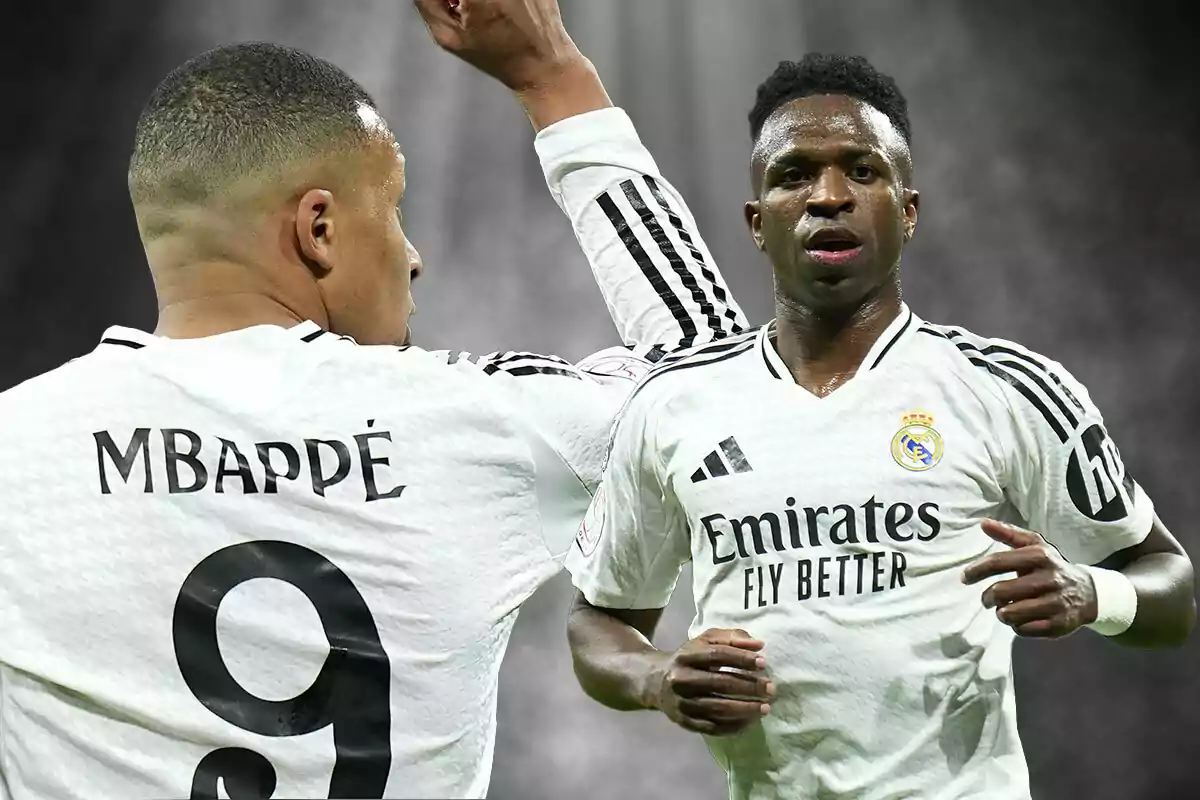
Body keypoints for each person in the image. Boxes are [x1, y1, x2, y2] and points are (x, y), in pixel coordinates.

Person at [0, 3, 745, 798]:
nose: (414, 257)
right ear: (318, 227)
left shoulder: (18, 448)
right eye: (393, 213)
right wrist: (554, 78)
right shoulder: (471, 425)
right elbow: (720, 393)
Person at [564, 53, 1195, 800]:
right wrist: (655, 675)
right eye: (795, 174)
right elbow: (599, 622)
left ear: (910, 209)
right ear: (757, 222)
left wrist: (1091, 593)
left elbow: (1172, 590)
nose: (828, 196)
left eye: (862, 171)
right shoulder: (675, 403)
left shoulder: (1005, 387)